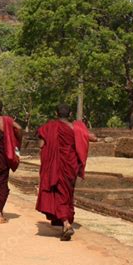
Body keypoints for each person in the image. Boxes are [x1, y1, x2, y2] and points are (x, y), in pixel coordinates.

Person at [36, 103, 97, 241]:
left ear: (56, 113)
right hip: (71, 164)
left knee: (59, 192)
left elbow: (41, 145)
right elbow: (91, 137)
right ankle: (65, 220)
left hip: (55, 165)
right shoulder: (76, 128)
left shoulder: (48, 127)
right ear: (70, 114)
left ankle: (65, 223)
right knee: (67, 193)